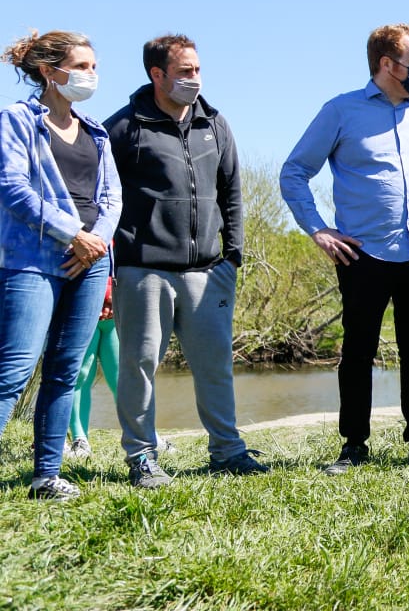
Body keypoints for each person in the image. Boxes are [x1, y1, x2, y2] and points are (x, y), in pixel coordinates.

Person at [281, 23, 409, 474]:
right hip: (363, 253)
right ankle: (354, 447)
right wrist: (318, 229)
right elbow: (295, 172)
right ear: (387, 64)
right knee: (358, 350)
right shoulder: (341, 111)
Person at [105, 34, 268, 488]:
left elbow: (232, 191)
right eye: (185, 72)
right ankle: (141, 457)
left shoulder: (214, 124)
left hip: (208, 271)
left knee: (215, 365)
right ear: (157, 74)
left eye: (197, 70)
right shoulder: (123, 128)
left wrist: (232, 255)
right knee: (139, 366)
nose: (195, 79)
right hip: (143, 269)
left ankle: (228, 451)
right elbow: (103, 196)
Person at [0, 30, 121, 500]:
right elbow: (13, 189)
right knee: (14, 369)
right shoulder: (16, 121)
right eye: (83, 66)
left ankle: (46, 476)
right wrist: (73, 235)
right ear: (50, 72)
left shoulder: (97, 131)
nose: (92, 75)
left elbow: (111, 197)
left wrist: (96, 244)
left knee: (65, 370)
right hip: (33, 261)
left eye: (94, 66)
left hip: (90, 262)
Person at [66, 278, 117, 458]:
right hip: (83, 308)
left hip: (117, 310)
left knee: (122, 378)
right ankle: (80, 439)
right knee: (80, 376)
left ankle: (144, 436)